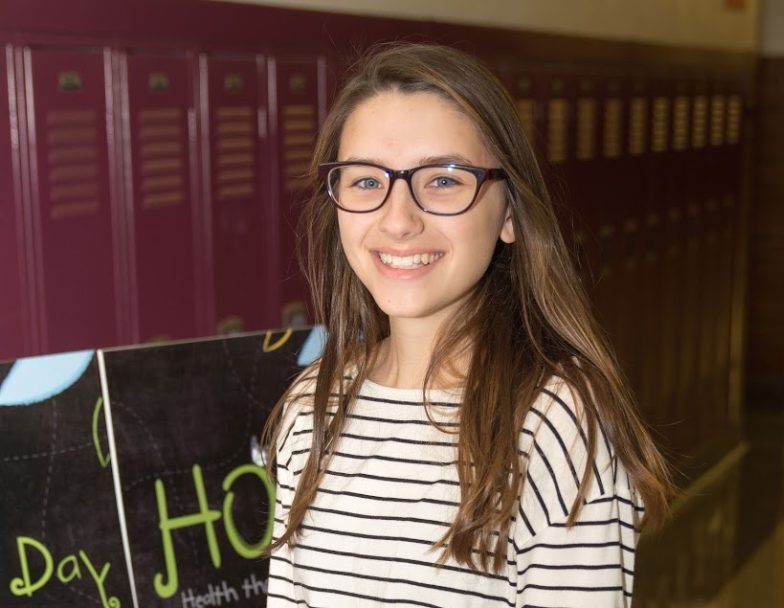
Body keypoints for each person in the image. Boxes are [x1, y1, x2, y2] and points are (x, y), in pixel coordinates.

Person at [262, 42, 672, 607]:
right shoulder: (312, 407)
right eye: (365, 181)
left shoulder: (553, 420)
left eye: (445, 180)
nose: (398, 219)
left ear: (509, 214)